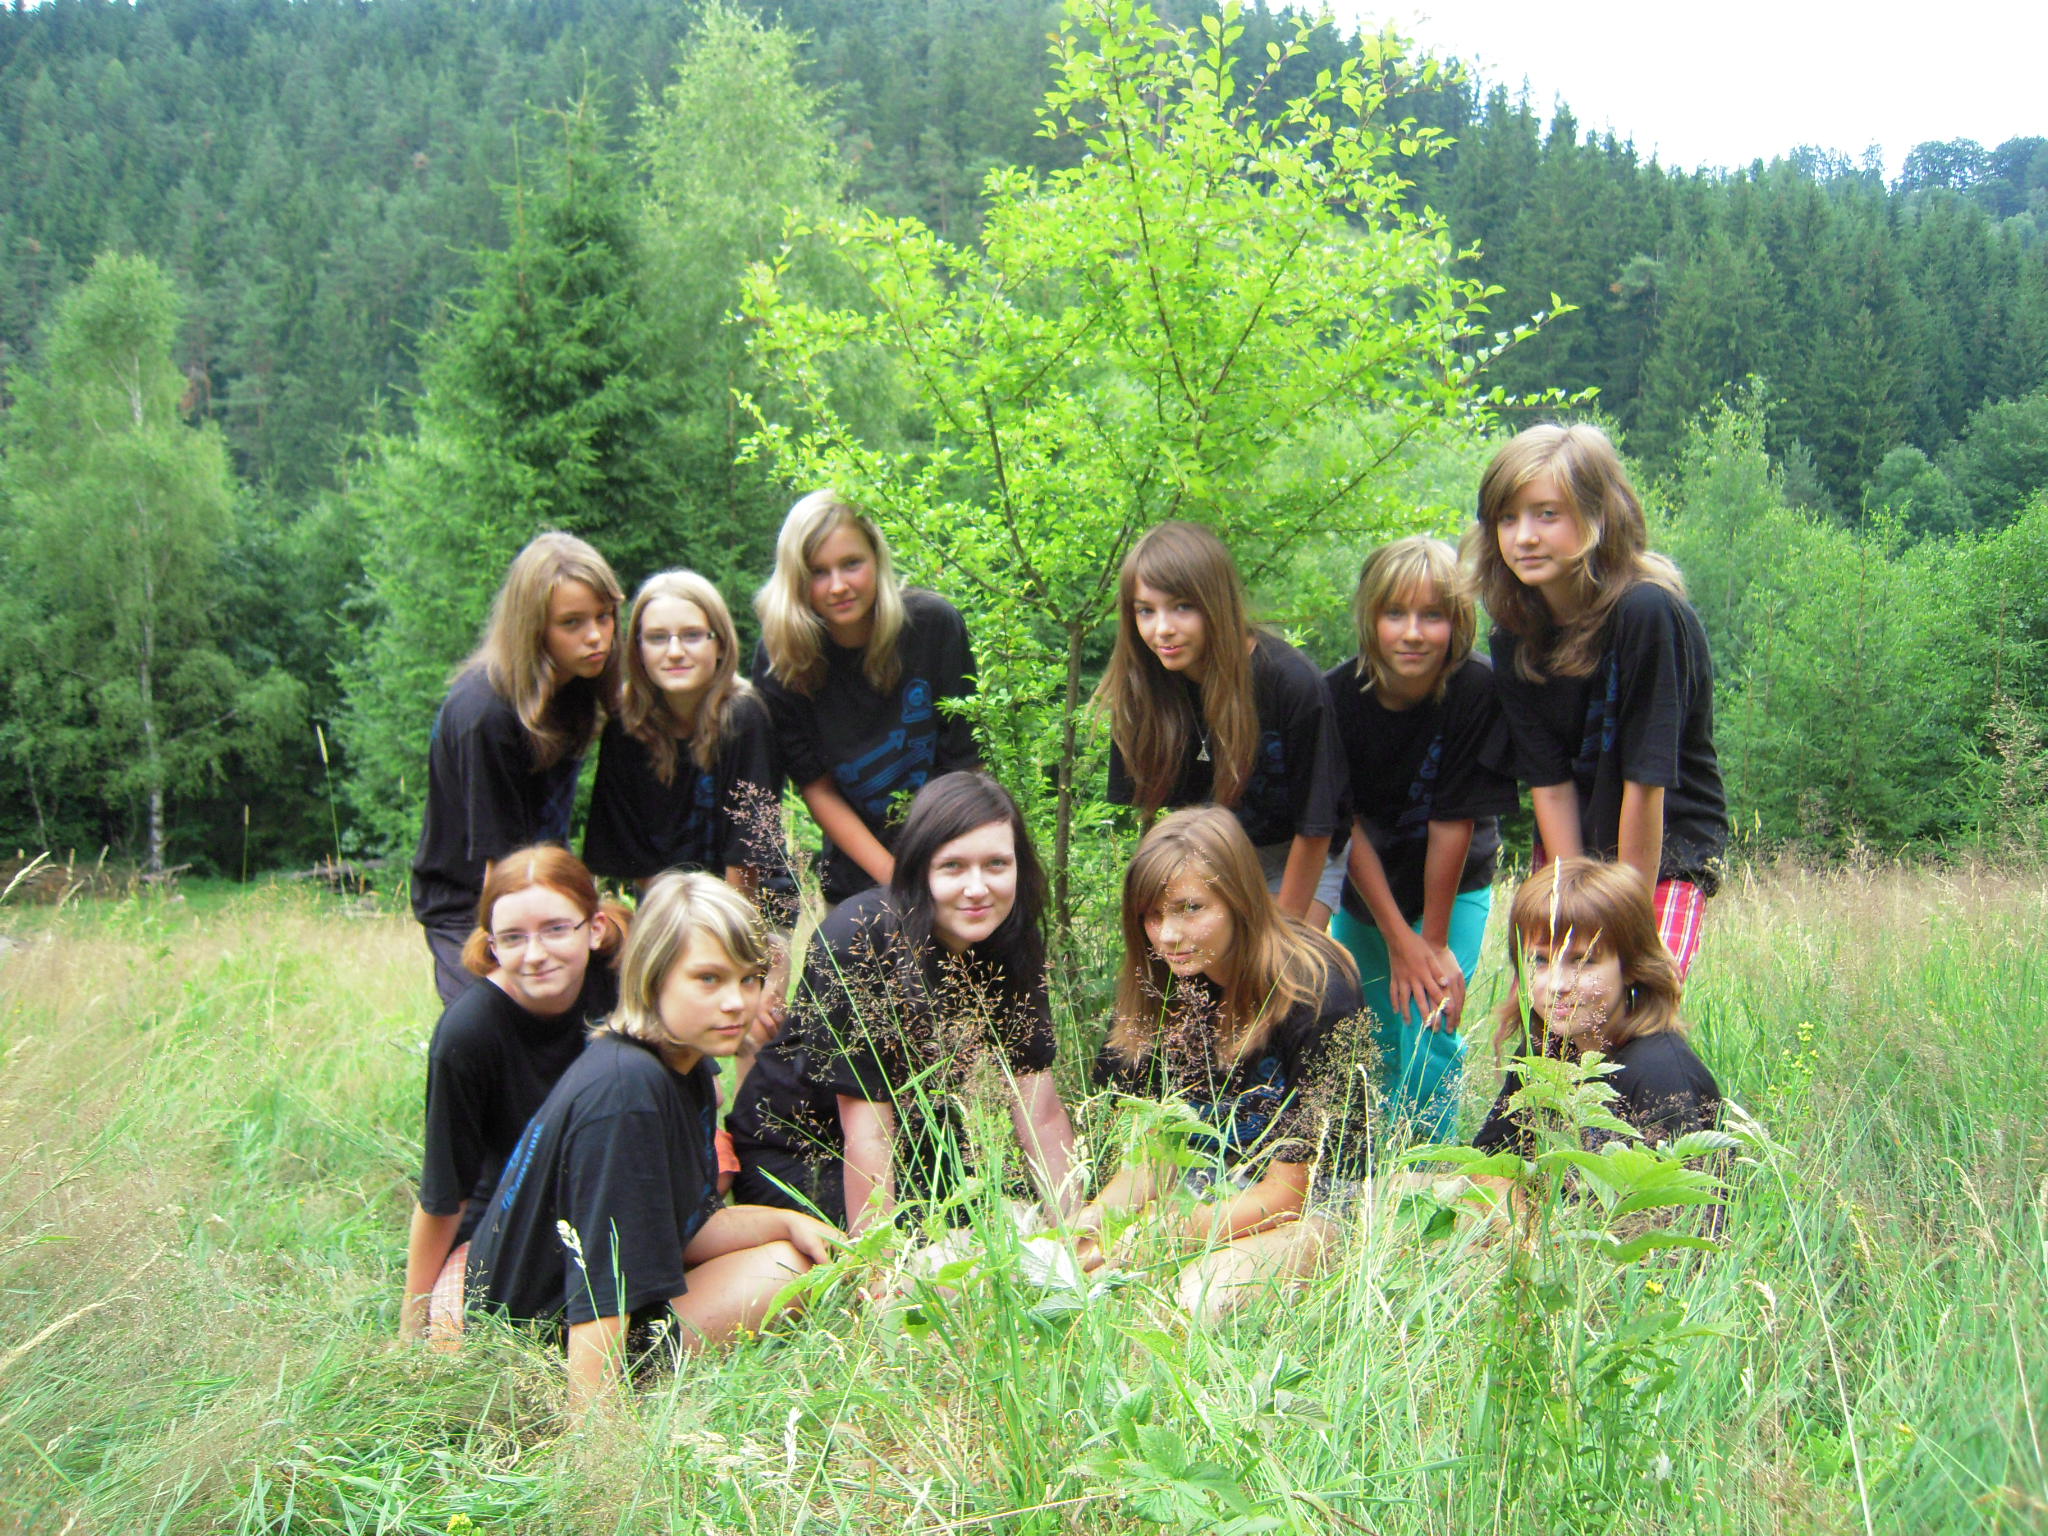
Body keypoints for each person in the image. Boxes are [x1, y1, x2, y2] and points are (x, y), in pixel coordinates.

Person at [462, 873, 836, 1413]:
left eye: (750, 978)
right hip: (537, 1356)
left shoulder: (683, 1066)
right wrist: (598, 1443)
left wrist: (788, 1221)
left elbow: (686, 1228)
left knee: (794, 1247)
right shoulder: (627, 1093)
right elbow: (601, 1287)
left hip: (566, 1318)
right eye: (708, 978)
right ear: (653, 976)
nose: (736, 1002)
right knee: (785, 1269)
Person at [728, 772, 1078, 1234]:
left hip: (915, 1142)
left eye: (996, 864)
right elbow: (865, 1132)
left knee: (1004, 1223)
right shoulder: (857, 937)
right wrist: (880, 1264)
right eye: (953, 866)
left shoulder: (1011, 933)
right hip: (803, 1149)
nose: (977, 888)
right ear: (918, 868)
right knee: (934, 1242)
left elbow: (1040, 1110)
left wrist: (1075, 1230)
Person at [1079, 807, 1368, 1322]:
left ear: (1239, 899)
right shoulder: (1167, 984)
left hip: (1316, 1205)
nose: (1167, 936)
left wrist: (1169, 1235)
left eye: (1191, 908)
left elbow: (1291, 1193)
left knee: (1199, 1298)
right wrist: (1095, 1221)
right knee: (1082, 1270)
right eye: (1152, 915)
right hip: (1210, 1185)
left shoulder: (1318, 995)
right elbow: (1155, 1157)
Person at [1468, 423, 1728, 978]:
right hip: (1570, 846)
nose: (1524, 537)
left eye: (1547, 514)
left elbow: (1647, 780)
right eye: (1507, 518)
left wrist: (1623, 924)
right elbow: (1550, 785)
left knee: (1635, 997)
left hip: (1663, 847)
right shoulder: (1514, 632)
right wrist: (1572, 902)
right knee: (1557, 1005)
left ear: (1598, 515)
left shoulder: (1648, 612)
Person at [1322, 537, 1519, 1143]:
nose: (1412, 633)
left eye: (1432, 615)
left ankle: (1427, 1170)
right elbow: (1345, 824)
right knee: (1372, 1031)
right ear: (1370, 618)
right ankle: (1373, 1169)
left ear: (1457, 622)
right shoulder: (1336, 697)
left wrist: (1429, 945)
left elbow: (1453, 820)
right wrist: (1396, 938)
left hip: (1454, 887)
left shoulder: (1476, 688)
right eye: (1395, 614)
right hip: (1366, 890)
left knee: (1431, 1017)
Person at [400, 846, 628, 1346]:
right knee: (456, 1346)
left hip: (612, 1201)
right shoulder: (468, 1034)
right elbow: (444, 1194)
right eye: (513, 937)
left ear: (594, 928)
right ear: (493, 946)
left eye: (555, 929)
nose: (536, 953)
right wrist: (410, 1325)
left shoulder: (623, 988)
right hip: (507, 1221)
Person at [411, 532, 624, 1003]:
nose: (595, 636)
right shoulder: (486, 715)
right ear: (533, 627)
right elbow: (500, 868)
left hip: (546, 888)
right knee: (494, 1023)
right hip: (475, 905)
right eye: (572, 622)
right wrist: (509, 965)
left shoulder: (574, 685)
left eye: (604, 616)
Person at [1096, 522, 1346, 923]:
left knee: (1277, 961)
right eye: (1146, 610)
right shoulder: (1143, 688)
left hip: (1297, 853)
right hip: (1207, 853)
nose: (1162, 629)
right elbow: (1165, 824)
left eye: (1182, 606)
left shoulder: (1291, 683)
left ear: (1217, 603)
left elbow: (1317, 827)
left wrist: (1283, 935)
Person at [752, 491, 979, 906]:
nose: (838, 586)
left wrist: (952, 873)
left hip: (953, 864)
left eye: (851, 564)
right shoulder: (781, 659)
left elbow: (966, 767)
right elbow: (817, 787)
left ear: (877, 559)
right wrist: (900, 883)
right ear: (795, 579)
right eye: (818, 572)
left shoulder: (933, 627)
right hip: (855, 887)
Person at [1471, 857, 1721, 1157]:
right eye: (1540, 960)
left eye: (1583, 961)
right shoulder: (1544, 1051)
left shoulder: (1659, 1072)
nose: (1558, 984)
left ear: (1632, 967)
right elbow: (1487, 1166)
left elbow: (1675, 1187)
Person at [584, 570, 782, 902]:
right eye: (657, 638)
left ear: (720, 644)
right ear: (638, 649)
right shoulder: (626, 724)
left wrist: (716, 926)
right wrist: (677, 919)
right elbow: (629, 853)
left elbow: (747, 856)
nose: (674, 652)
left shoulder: (744, 717)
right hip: (665, 905)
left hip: (751, 904)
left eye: (692, 635)